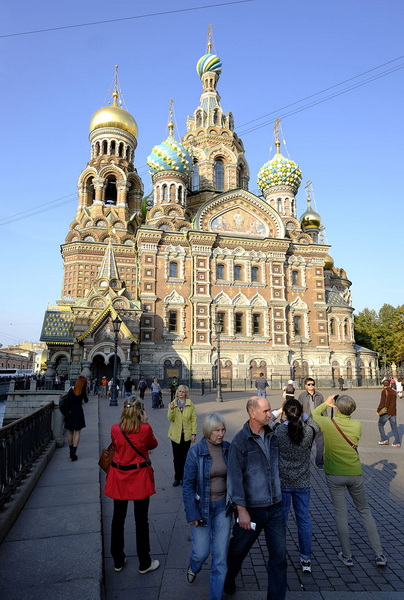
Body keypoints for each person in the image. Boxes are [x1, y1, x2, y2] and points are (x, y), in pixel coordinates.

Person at [311, 394, 387, 568]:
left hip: (334, 474)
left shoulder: (328, 424)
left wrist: (326, 403)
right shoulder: (357, 425)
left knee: (341, 513)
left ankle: (347, 556)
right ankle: (379, 554)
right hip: (354, 473)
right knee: (365, 511)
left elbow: (314, 415)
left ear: (336, 408)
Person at [225, 396, 287, 599]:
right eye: (266, 411)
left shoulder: (273, 436)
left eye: (270, 411)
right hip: (251, 510)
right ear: (253, 413)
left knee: (279, 557)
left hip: (275, 506)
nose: (270, 414)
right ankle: (228, 578)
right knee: (238, 550)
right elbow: (234, 477)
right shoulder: (240, 442)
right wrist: (241, 510)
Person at [104, 397, 160, 574]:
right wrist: (145, 423)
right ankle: (144, 562)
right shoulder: (145, 429)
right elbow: (153, 444)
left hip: (119, 477)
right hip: (139, 478)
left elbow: (116, 445)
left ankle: (118, 560)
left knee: (117, 519)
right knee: (141, 520)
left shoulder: (115, 428)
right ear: (141, 411)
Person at [182, 413, 231, 600]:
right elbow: (187, 485)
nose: (221, 434)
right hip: (201, 508)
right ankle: (194, 566)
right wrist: (191, 513)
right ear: (208, 431)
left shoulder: (228, 449)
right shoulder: (195, 452)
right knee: (201, 552)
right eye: (217, 430)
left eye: (223, 429)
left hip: (222, 508)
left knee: (220, 558)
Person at [273, 399, 319, 573]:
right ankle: (306, 559)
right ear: (300, 413)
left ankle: (279, 556)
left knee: (281, 522)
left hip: (283, 482)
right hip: (303, 482)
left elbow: (267, 421)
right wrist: (303, 414)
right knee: (304, 521)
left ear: (285, 413)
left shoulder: (279, 430)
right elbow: (316, 425)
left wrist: (279, 410)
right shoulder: (308, 431)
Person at [167, 385, 197, 487]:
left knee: (185, 458)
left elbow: (193, 420)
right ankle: (177, 477)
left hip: (186, 435)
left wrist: (194, 433)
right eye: (179, 391)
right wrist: (171, 409)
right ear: (177, 393)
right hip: (175, 435)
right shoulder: (173, 404)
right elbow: (170, 418)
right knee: (176, 458)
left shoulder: (190, 405)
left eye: (183, 392)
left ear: (186, 393)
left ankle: (184, 477)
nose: (181, 393)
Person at [298, 377, 325, 469]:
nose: (311, 386)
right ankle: (304, 462)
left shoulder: (319, 396)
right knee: (306, 444)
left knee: (320, 445)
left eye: (312, 384)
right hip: (307, 424)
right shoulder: (302, 396)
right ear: (305, 386)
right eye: (309, 384)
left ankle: (319, 462)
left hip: (318, 423)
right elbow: (299, 410)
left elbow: (324, 409)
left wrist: (325, 421)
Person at [64, 375, 88, 462]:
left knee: (70, 432)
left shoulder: (71, 390)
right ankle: (73, 453)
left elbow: (67, 402)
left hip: (70, 413)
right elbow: (86, 400)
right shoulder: (82, 391)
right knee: (77, 432)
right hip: (78, 413)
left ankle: (71, 451)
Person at [377, 379, 400, 447]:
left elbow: (382, 402)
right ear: (389, 384)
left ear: (383, 385)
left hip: (386, 412)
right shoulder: (394, 392)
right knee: (394, 427)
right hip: (393, 412)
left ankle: (384, 439)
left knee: (380, 424)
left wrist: (378, 410)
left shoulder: (384, 391)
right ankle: (397, 442)